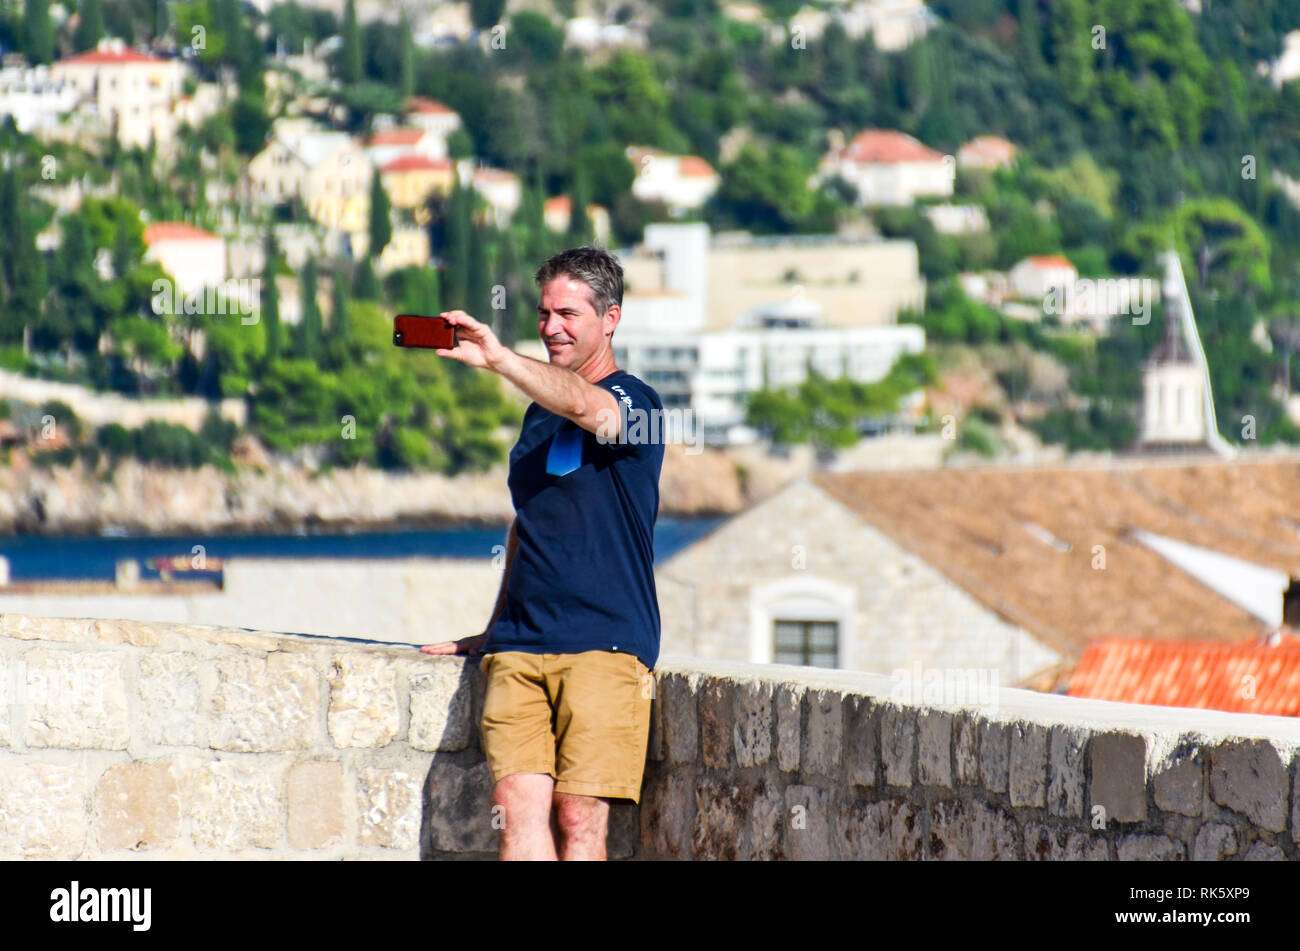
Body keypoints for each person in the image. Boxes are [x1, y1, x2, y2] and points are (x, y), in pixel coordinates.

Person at [420, 246, 665, 860]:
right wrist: (494, 625)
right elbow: (526, 526)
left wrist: (500, 358)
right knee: (514, 808)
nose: (551, 327)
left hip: (606, 642)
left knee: (580, 816)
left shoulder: (639, 404)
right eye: (544, 313)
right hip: (520, 643)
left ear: (610, 318)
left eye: (568, 314)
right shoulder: (537, 417)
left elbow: (586, 406)